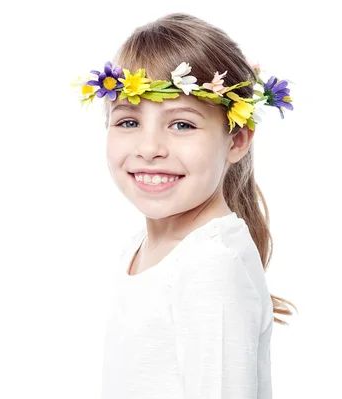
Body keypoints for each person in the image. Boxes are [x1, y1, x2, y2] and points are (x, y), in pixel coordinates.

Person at [72, 13, 297, 398]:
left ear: (237, 140)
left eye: (182, 125)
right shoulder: (145, 248)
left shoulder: (211, 265)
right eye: (128, 122)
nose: (149, 148)